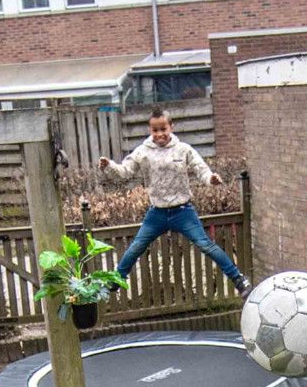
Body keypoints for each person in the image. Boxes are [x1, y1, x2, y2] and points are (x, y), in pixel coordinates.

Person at [97, 111, 248, 293]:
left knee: (206, 245)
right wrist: (109, 166)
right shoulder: (142, 152)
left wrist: (211, 179)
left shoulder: (183, 149)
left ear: (171, 127)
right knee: (136, 247)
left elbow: (201, 169)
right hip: (157, 213)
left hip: (183, 211)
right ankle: (115, 281)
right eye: (155, 130)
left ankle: (239, 280)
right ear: (149, 130)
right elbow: (124, 172)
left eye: (163, 129)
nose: (160, 134)